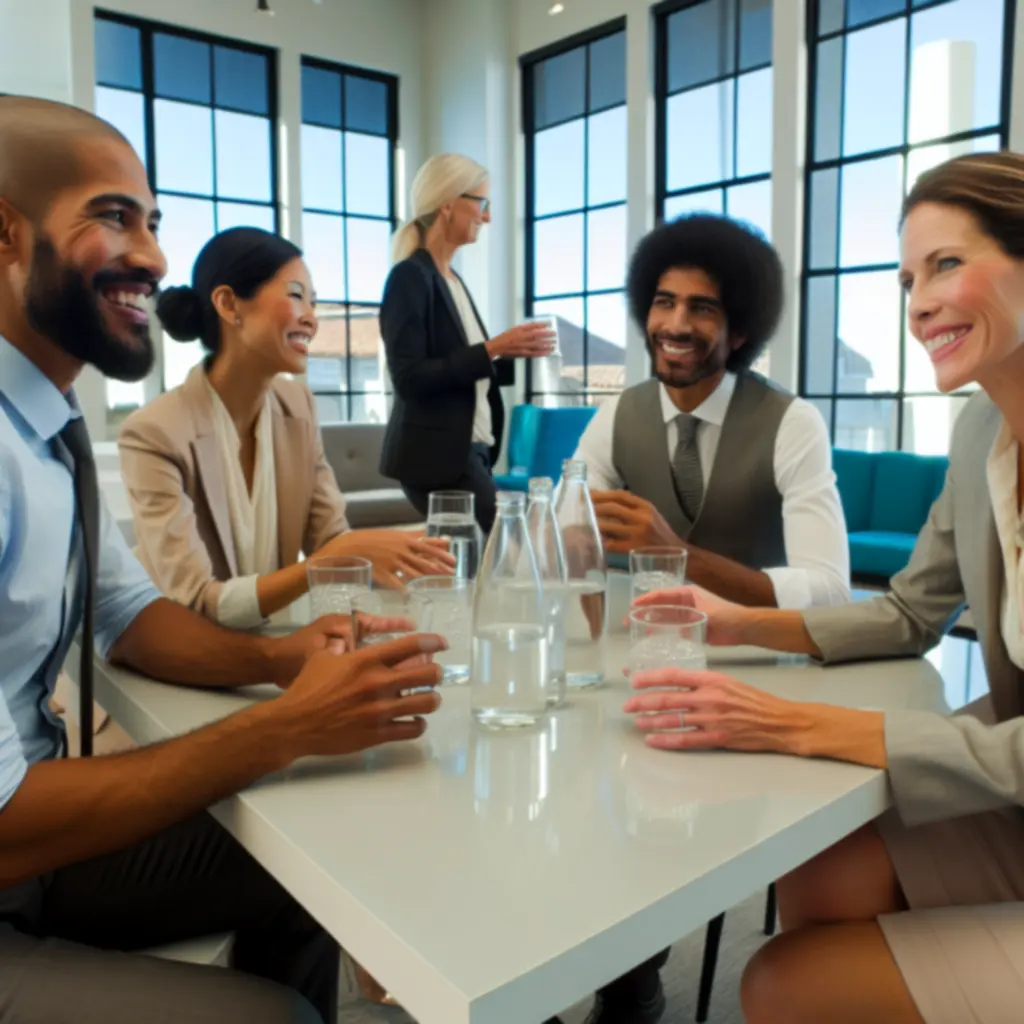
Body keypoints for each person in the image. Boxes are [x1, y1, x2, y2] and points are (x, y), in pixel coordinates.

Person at [0, 95, 445, 1024]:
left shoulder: (49, 427)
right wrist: (285, 728)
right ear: (6, 237)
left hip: (42, 858)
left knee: (317, 857)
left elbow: (131, 615)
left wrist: (285, 660)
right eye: (112, 216)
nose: (156, 259)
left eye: (153, 223)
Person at [624, 152, 1024, 1024]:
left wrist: (795, 723)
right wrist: (734, 624)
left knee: (781, 986)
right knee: (819, 865)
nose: (919, 304)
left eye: (947, 264)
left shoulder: (787, 419)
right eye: (908, 280)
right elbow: (912, 612)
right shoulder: (979, 435)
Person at [118, 226, 453, 630]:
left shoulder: (298, 406)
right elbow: (196, 600)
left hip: (265, 637)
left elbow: (330, 540)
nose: (311, 318)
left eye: (313, 302)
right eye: (295, 295)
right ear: (228, 303)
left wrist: (395, 555)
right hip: (175, 643)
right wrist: (330, 560)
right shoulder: (154, 432)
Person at [573, 214, 850, 609]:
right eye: (664, 302)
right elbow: (568, 531)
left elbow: (831, 593)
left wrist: (675, 551)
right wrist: (569, 534)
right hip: (650, 634)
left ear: (739, 332)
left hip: (759, 642)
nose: (676, 325)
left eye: (702, 309)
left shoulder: (792, 423)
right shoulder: (616, 416)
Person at [379, 153, 556, 533]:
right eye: (482, 203)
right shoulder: (410, 277)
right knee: (510, 543)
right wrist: (494, 347)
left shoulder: (453, 281)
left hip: (470, 452)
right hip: (439, 458)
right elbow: (410, 378)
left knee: (478, 557)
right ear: (448, 204)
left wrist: (515, 350)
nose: (487, 217)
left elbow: (463, 368)